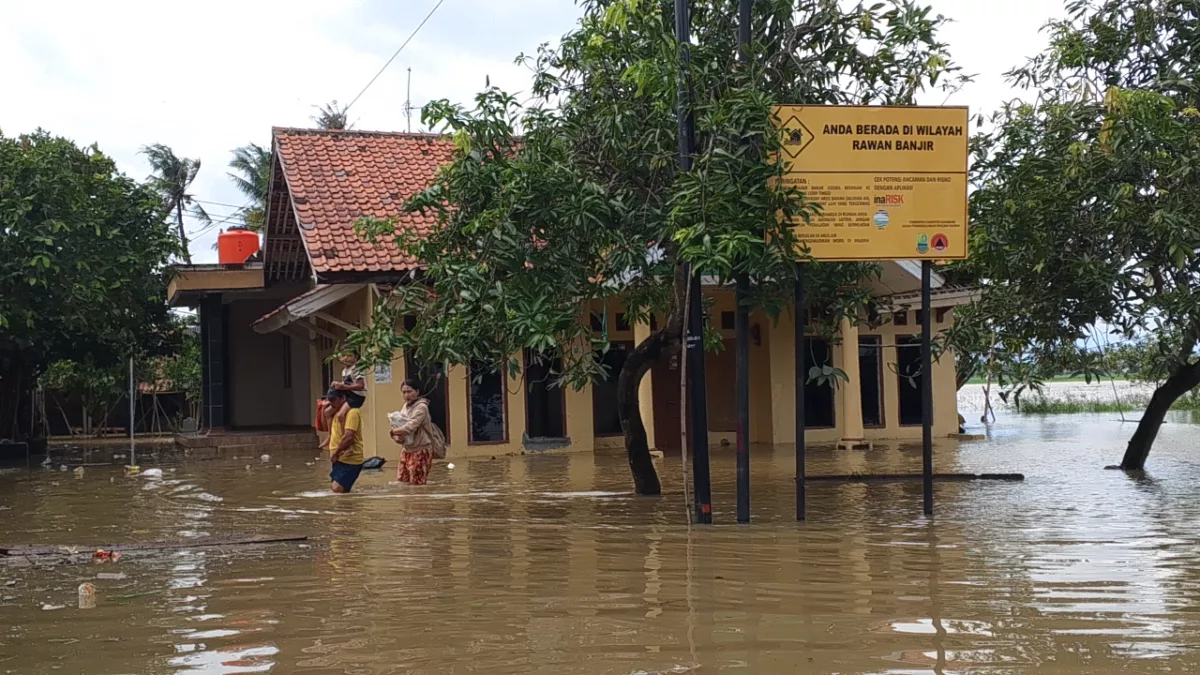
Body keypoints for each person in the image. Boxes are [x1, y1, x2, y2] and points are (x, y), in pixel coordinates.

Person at [390, 379, 436, 486]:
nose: (406, 395)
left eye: (409, 391)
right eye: (404, 392)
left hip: (420, 450)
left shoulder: (421, 407)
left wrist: (392, 432)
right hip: (406, 450)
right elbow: (399, 424)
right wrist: (395, 436)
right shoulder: (406, 406)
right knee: (402, 483)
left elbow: (409, 427)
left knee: (417, 485)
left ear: (417, 392)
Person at [320, 351, 367, 450]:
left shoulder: (357, 369)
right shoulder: (345, 371)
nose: (346, 358)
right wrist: (337, 384)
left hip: (356, 397)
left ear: (356, 357)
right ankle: (330, 435)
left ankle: (346, 443)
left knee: (340, 415)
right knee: (327, 411)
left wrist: (343, 386)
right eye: (344, 356)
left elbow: (360, 385)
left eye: (349, 355)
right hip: (347, 395)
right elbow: (346, 383)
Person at [326, 388, 365, 493]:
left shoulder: (352, 412)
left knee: (337, 489)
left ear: (343, 398)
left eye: (333, 400)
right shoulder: (335, 412)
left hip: (350, 459)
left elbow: (348, 437)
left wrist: (336, 454)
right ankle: (349, 508)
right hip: (340, 458)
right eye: (329, 400)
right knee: (341, 492)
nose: (331, 403)